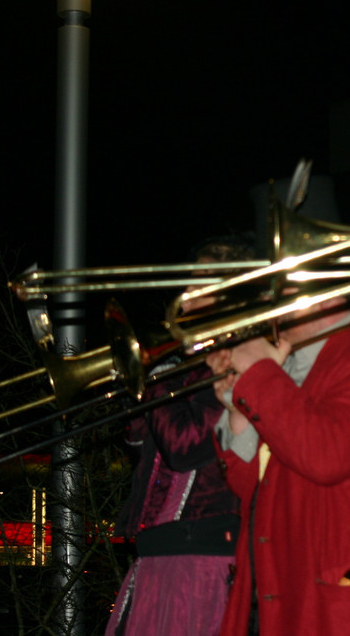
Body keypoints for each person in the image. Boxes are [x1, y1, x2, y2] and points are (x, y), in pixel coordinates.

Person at [207, 289, 350, 635]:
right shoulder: (289, 360)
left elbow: (328, 455)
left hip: (340, 601)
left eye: (281, 289)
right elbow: (254, 491)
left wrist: (259, 373)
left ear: (326, 293)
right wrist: (239, 415)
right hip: (275, 586)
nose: (268, 302)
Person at [105, 237, 250, 636]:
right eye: (188, 283)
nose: (186, 296)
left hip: (203, 559)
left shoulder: (238, 361)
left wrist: (154, 378)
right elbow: (141, 447)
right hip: (157, 552)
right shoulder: (185, 365)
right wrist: (135, 392)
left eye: (201, 284)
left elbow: (183, 447)